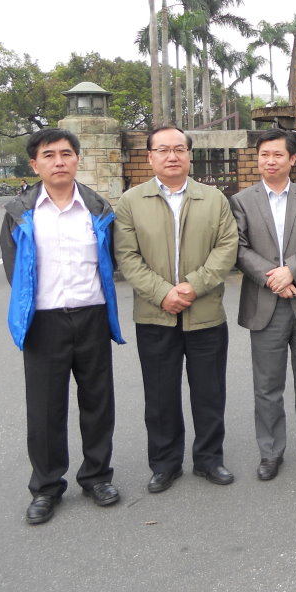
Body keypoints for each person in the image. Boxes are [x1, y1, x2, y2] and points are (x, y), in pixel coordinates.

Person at [0, 129, 124, 525]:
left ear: (77, 159)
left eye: (66, 154)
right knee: (45, 409)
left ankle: (97, 477)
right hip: (44, 321)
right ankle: (47, 487)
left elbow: (111, 260)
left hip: (91, 315)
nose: (59, 161)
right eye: (49, 155)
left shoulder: (97, 208)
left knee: (98, 403)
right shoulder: (20, 212)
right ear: (34, 164)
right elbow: (14, 270)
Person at [114, 126, 239, 493]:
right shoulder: (131, 201)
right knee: (160, 396)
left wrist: (194, 285)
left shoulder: (213, 199)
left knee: (209, 392)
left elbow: (226, 248)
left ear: (189, 155)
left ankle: (209, 459)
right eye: (163, 150)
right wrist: (163, 293)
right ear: (150, 156)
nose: (172, 156)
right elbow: (127, 256)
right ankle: (165, 463)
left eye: (179, 149)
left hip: (205, 314)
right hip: (155, 316)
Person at [230, 129, 296, 481]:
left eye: (277, 155)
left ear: (292, 159)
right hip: (265, 305)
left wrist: (291, 271)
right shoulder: (241, 201)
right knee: (267, 386)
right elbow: (239, 248)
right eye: (264, 155)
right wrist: (273, 278)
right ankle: (271, 451)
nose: (270, 161)